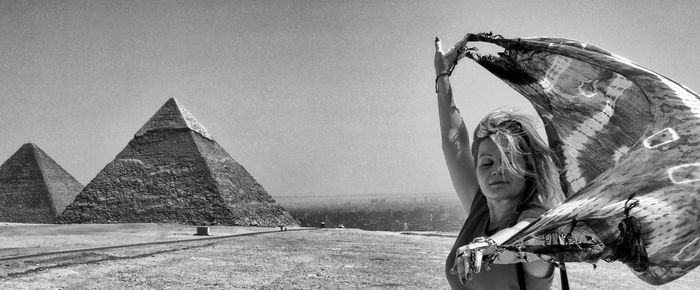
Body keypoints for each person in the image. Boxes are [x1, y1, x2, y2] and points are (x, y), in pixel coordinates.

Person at [434, 35, 564, 289]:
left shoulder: (534, 216)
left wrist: (490, 245)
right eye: (486, 163)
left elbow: (529, 233)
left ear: (528, 168)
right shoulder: (480, 208)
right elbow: (454, 142)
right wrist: (442, 73)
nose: (496, 171)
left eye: (508, 160)